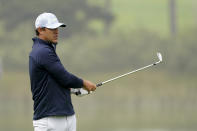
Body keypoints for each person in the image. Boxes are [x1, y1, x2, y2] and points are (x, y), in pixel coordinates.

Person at [29, 12, 97, 131]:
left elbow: (57, 81)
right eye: (52, 28)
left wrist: (74, 89)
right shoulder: (42, 51)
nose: (56, 31)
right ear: (40, 30)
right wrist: (84, 83)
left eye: (57, 28)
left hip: (67, 116)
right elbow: (65, 77)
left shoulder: (48, 49)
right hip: (48, 119)